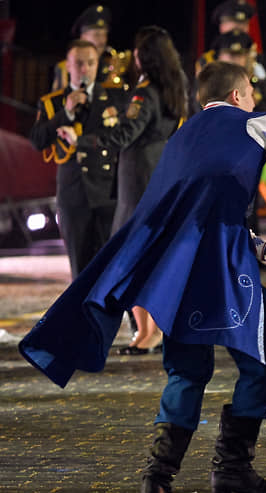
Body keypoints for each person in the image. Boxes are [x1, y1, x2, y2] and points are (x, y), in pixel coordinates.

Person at [18, 61, 266, 493]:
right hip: (222, 268)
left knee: (186, 371)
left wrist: (265, 248)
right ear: (239, 96)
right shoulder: (260, 123)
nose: (254, 101)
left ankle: (157, 479)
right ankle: (232, 466)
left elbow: (193, 213)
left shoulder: (181, 136)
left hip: (176, 271)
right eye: (251, 94)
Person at [60, 26, 187, 355]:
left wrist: (85, 141)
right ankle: (148, 330)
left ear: (142, 57)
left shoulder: (144, 91)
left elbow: (127, 132)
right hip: (161, 171)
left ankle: (150, 330)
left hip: (137, 178)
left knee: (131, 257)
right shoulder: (175, 87)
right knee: (147, 256)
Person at [29, 39, 128, 279]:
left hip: (108, 191)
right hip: (73, 193)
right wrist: (67, 112)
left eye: (91, 63)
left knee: (110, 266)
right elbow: (38, 140)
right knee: (80, 269)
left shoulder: (116, 98)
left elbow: (120, 137)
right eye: (79, 64)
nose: (85, 69)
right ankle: (80, 317)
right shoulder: (53, 103)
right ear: (68, 66)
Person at [51, 4, 131, 92]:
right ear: (83, 37)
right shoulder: (65, 69)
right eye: (97, 35)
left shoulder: (109, 67)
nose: (102, 41)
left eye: (104, 34)